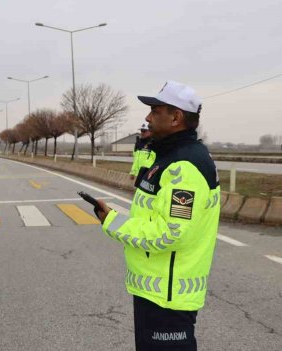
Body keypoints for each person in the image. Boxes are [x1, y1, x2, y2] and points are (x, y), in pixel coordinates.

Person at [94, 81, 220, 351]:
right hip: (156, 291)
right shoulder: (167, 158)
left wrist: (113, 222)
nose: (148, 117)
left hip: (168, 297)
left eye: (155, 110)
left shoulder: (184, 167)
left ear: (176, 118)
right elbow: (155, 218)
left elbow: (171, 233)